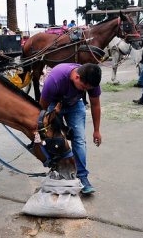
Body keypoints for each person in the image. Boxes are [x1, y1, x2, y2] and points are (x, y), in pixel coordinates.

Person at [39, 63, 102, 194]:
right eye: (83, 87)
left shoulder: (91, 80)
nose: (85, 90)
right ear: (77, 77)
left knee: (79, 139)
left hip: (75, 104)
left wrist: (96, 130)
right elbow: (42, 109)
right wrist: (41, 129)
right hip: (53, 103)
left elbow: (95, 105)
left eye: (87, 89)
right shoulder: (55, 79)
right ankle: (58, 171)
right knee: (53, 140)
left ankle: (82, 178)